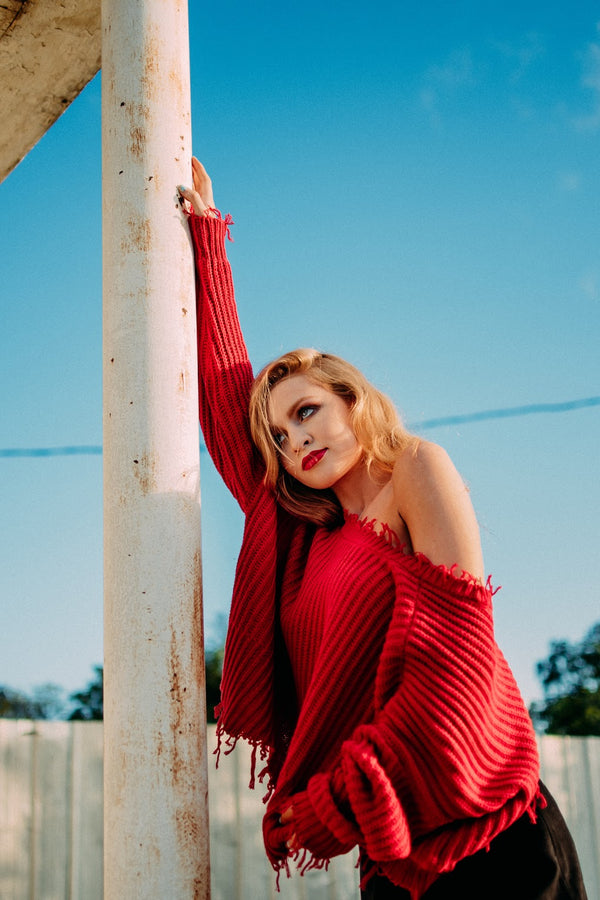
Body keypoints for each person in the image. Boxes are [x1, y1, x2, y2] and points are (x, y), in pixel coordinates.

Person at [177, 160, 588, 899]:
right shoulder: (299, 537)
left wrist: (341, 794)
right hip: (394, 854)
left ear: (351, 400)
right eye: (277, 435)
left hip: (489, 829)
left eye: (306, 411)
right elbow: (220, 397)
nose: (294, 439)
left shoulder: (418, 473)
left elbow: (458, 660)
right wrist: (205, 244)